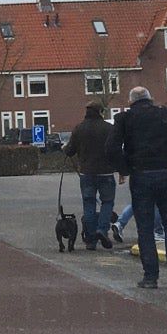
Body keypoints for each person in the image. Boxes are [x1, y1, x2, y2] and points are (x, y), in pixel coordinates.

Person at [105, 85, 167, 289]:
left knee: (145, 227)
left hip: (141, 177)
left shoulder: (125, 119)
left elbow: (111, 147)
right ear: (150, 98)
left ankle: (151, 277)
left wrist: (124, 168)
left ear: (131, 102)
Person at [63, 102, 120, 251]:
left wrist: (65, 149)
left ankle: (90, 240)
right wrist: (121, 169)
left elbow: (70, 151)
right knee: (107, 202)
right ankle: (102, 229)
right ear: (100, 111)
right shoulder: (109, 128)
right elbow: (116, 149)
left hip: (86, 173)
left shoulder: (79, 128)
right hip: (106, 173)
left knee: (89, 203)